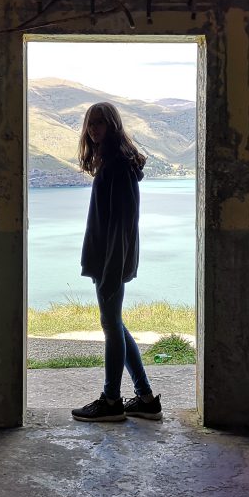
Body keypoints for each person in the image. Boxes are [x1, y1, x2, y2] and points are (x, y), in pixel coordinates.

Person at [70, 102, 163, 422]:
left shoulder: (118, 166)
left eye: (100, 123)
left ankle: (111, 400)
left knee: (111, 327)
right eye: (90, 124)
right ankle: (146, 398)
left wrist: (111, 270)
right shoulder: (112, 163)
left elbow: (123, 224)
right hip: (106, 260)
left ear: (113, 126)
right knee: (116, 325)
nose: (94, 129)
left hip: (110, 261)